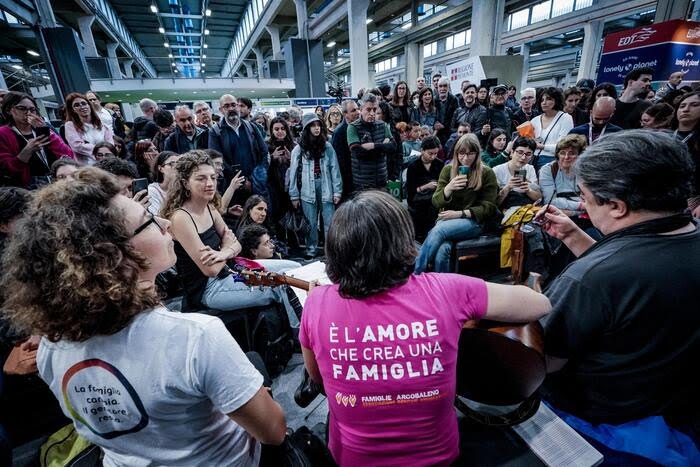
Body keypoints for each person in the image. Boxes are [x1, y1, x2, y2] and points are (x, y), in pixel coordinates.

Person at [0, 167, 287, 465]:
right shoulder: (196, 337)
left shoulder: (50, 349)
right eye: (148, 220)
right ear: (113, 255)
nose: (164, 222)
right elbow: (274, 431)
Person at [299, 189, 550, 466]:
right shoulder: (447, 290)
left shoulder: (316, 303)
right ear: (405, 243)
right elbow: (538, 304)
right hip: (439, 459)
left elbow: (318, 378)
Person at [535, 130, 699, 465]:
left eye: (586, 197)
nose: (582, 205)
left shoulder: (590, 280)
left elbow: (544, 361)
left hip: (599, 423)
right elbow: (638, 280)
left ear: (616, 206)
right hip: (674, 408)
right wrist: (576, 237)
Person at [163, 152, 300, 323]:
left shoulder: (210, 208)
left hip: (231, 269)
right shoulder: (180, 218)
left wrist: (223, 253)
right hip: (209, 288)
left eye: (213, 177)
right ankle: (303, 338)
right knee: (283, 284)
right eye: (201, 179)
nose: (210, 184)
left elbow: (236, 245)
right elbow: (210, 270)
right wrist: (227, 250)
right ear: (185, 183)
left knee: (296, 268)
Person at [415, 133, 498, 273]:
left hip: (473, 221)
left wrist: (459, 214)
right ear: (456, 153)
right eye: (461, 154)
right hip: (446, 220)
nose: (465, 158)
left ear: (477, 154)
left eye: (470, 153)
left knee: (439, 230)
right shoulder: (448, 169)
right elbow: (436, 202)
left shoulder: (486, 173)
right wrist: (448, 188)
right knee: (442, 250)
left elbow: (489, 207)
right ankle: (442, 288)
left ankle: (415, 274)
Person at [289, 114, 342, 259]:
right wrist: (293, 194)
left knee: (329, 223)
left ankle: (330, 250)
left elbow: (334, 169)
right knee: (310, 223)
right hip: (306, 190)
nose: (316, 128)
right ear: (307, 128)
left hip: (326, 188)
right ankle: (311, 249)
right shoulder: (299, 149)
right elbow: (293, 172)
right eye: (313, 125)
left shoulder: (327, 146)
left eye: (318, 125)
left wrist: (337, 191)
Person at [0, 92, 73, 188]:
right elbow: (6, 169)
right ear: (9, 110)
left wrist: (45, 131)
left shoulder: (43, 129)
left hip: (56, 182)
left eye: (32, 109)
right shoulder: (3, 133)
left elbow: (68, 155)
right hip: (27, 187)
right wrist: (26, 152)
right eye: (22, 108)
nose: (28, 113)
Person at [209, 94, 268, 199]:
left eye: (233, 105)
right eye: (226, 106)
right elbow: (218, 160)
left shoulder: (251, 127)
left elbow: (264, 151)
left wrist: (258, 175)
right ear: (221, 110)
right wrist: (243, 180)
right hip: (232, 186)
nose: (231, 108)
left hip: (256, 183)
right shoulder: (215, 131)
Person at [347, 93, 396, 191]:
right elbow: (358, 152)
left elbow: (393, 147)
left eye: (374, 109)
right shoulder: (353, 127)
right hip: (363, 182)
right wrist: (383, 147)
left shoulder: (382, 125)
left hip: (381, 179)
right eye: (368, 110)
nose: (372, 113)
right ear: (361, 109)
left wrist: (373, 145)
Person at [406, 136, 444, 241]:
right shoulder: (413, 166)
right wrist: (425, 187)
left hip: (434, 201)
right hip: (418, 203)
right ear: (422, 150)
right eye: (430, 153)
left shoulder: (439, 164)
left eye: (435, 153)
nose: (433, 157)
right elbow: (410, 191)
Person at [539, 134, 586, 216]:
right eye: (562, 153)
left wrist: (571, 212)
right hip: (559, 216)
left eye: (572, 153)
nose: (566, 157)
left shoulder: (586, 170)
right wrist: (581, 206)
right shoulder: (548, 170)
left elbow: (592, 202)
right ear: (557, 154)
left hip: (584, 217)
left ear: (580, 155)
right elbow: (550, 201)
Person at [63, 92, 113, 165]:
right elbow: (77, 146)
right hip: (87, 168)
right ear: (73, 109)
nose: (82, 107)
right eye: (77, 105)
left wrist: (103, 153)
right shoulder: (70, 125)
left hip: (106, 163)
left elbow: (110, 145)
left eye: (84, 103)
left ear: (89, 105)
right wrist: (101, 150)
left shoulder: (102, 125)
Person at [530, 87, 573, 171]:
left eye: (549, 99)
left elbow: (563, 146)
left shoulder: (565, 118)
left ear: (556, 100)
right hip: (532, 159)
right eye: (542, 100)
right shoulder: (534, 120)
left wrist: (541, 146)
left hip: (552, 159)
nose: (544, 102)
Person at [493, 136, 541, 210]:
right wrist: (508, 187)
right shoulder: (497, 170)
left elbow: (538, 197)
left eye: (528, 154)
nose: (523, 157)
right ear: (512, 152)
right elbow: (494, 203)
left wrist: (528, 190)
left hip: (526, 209)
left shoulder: (530, 168)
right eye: (520, 152)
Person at [674, 92, 700, 218]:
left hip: (694, 201)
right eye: (682, 106)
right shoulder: (663, 136)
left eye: (694, 105)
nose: (686, 109)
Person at [266, 117, 295, 226]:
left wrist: (291, 160)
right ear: (272, 131)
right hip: (274, 187)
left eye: (283, 128)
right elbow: (263, 169)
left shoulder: (294, 146)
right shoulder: (267, 146)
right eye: (276, 129)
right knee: (276, 216)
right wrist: (272, 159)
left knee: (292, 216)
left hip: (291, 187)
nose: (280, 132)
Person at [331, 99, 359, 200]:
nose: (358, 112)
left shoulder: (358, 126)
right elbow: (339, 160)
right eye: (353, 110)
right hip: (348, 180)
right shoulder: (340, 131)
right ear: (345, 114)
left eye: (357, 109)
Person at [148, 151, 180, 216]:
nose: (177, 167)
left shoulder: (183, 187)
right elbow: (156, 216)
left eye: (179, 164)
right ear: (160, 168)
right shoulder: (152, 190)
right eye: (172, 164)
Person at [434, 77, 459, 144]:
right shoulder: (434, 100)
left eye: (445, 86)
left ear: (448, 87)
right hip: (436, 133)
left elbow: (455, 117)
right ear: (437, 88)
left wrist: (444, 125)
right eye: (440, 86)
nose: (442, 89)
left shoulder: (454, 100)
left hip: (449, 133)